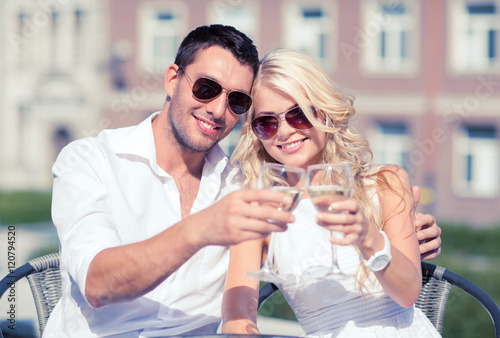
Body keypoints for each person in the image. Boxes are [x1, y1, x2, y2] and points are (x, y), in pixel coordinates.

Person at [44, 25, 440, 337]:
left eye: (236, 101)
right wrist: (202, 228)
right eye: (205, 88)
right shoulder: (91, 160)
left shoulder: (241, 186)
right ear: (171, 80)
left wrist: (388, 232)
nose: (217, 109)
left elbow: (403, 285)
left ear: (325, 113)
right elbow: (98, 284)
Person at [221, 48, 442, 337]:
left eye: (298, 114)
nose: (285, 132)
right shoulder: (261, 209)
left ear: (323, 111)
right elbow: (238, 314)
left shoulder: (385, 182)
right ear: (256, 133)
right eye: (267, 122)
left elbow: (408, 293)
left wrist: (367, 236)